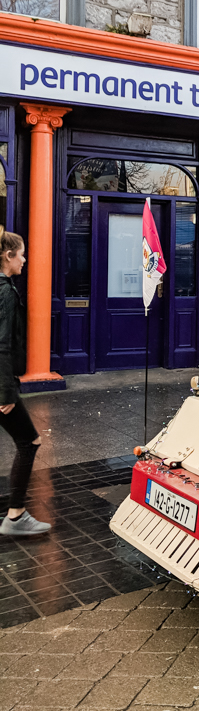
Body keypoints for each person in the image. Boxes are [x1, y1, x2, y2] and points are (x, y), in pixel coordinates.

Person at [0, 227, 51, 536]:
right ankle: (16, 515)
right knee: (29, 441)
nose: (25, 259)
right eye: (21, 254)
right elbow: (2, 343)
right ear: (8, 256)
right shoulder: (5, 290)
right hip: (0, 384)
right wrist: (6, 390)